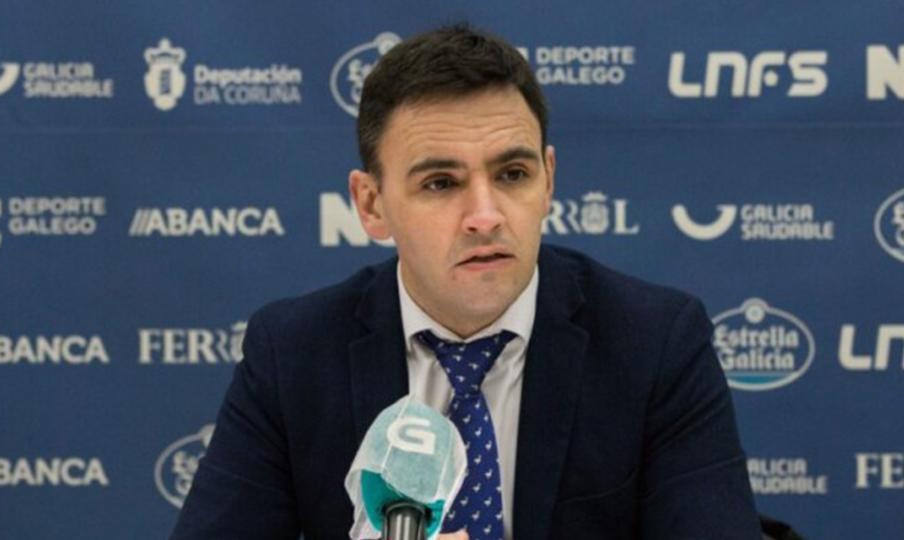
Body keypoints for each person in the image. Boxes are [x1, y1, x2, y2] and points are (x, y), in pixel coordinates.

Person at [171, 24, 760, 540]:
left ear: (548, 181)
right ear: (371, 204)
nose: (486, 214)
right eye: (440, 183)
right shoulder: (293, 352)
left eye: (512, 173)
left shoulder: (654, 343)